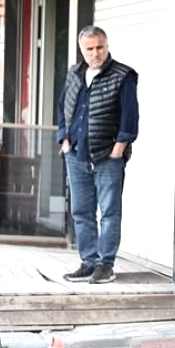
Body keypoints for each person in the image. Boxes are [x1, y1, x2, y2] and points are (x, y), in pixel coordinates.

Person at [56, 26, 138, 285]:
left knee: (110, 211)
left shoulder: (123, 75)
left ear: (106, 45)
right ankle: (88, 261)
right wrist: (64, 138)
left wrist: (120, 147)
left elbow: (130, 116)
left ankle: (106, 264)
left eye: (99, 47)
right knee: (81, 211)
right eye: (90, 49)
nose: (95, 53)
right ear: (82, 50)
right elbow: (62, 107)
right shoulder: (74, 74)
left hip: (108, 156)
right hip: (76, 154)